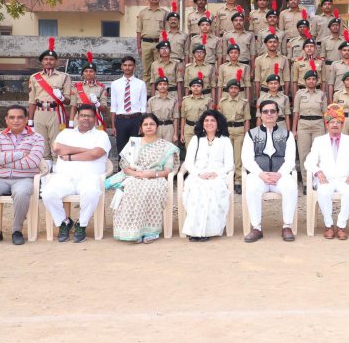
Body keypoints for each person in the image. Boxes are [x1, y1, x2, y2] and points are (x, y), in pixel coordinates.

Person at [41, 104, 111, 243]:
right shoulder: (66, 133)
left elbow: (96, 154)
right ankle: (64, 222)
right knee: (47, 193)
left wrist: (71, 155)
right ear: (77, 117)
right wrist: (86, 150)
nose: (86, 118)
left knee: (91, 192)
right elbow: (57, 149)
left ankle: (81, 224)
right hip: (64, 177)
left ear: (95, 118)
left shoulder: (101, 135)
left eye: (90, 116)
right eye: (83, 115)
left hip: (89, 177)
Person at [0, 105, 45, 246]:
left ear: (26, 119)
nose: (16, 120)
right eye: (12, 117)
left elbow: (32, 162)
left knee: (21, 193)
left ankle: (17, 231)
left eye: (20, 117)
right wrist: (19, 155)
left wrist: (3, 161)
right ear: (6, 120)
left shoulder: (36, 138)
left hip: (25, 178)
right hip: (0, 178)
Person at [112, 113, 179, 243]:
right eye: (145, 124)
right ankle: (134, 230)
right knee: (131, 188)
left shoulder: (165, 146)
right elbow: (125, 167)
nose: (149, 127)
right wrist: (137, 174)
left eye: (152, 124)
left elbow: (167, 170)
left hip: (156, 178)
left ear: (157, 126)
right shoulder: (133, 143)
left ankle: (150, 231)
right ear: (141, 128)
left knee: (149, 189)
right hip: (134, 176)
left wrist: (152, 174)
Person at [241, 100, 298, 242]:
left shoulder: (287, 135)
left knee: (291, 186)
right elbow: (247, 159)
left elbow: (290, 160)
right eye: (266, 111)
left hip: (280, 176)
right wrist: (261, 174)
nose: (269, 114)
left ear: (278, 114)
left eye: (273, 111)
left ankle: (287, 226)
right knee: (252, 187)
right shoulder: (251, 134)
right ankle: (256, 228)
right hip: (259, 175)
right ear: (260, 115)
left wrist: (280, 174)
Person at [303, 105, 349, 240]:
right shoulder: (319, 141)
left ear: (342, 124)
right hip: (326, 179)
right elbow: (309, 162)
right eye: (332, 122)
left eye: (338, 122)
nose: (335, 125)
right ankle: (329, 225)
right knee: (323, 192)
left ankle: (341, 226)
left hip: (344, 179)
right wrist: (318, 172)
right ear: (327, 124)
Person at [181, 110, 234, 241]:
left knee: (211, 188)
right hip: (197, 174)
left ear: (218, 123)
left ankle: (207, 230)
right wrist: (199, 174)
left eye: (212, 120)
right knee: (196, 189)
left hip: (218, 175)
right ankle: (194, 230)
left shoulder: (225, 140)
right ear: (202, 123)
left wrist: (216, 173)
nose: (209, 123)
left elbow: (229, 164)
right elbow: (188, 162)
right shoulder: (196, 139)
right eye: (206, 120)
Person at [28, 37, 71, 163]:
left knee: (57, 143)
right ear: (42, 62)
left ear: (56, 62)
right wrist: (30, 120)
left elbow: (68, 100)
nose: (48, 61)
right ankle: (45, 173)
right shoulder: (34, 77)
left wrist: (62, 97)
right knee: (41, 144)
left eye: (51, 59)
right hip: (39, 112)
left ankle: (57, 172)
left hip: (56, 112)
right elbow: (31, 101)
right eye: (46, 59)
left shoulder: (64, 77)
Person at [292, 63, 327, 190]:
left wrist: (327, 130)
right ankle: (306, 182)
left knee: (318, 154)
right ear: (304, 81)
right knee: (304, 154)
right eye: (309, 79)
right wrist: (294, 129)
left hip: (318, 125)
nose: (311, 81)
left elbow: (325, 114)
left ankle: (317, 181)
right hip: (304, 126)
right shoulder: (299, 94)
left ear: (317, 81)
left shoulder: (322, 94)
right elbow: (296, 112)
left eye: (313, 79)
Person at [218, 76, 250, 194]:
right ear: (228, 89)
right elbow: (219, 119)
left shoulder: (243, 102)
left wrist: (246, 134)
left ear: (239, 90)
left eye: (236, 88)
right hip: (226, 130)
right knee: (226, 156)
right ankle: (226, 180)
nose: (233, 90)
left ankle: (238, 181)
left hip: (239, 130)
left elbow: (247, 119)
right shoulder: (222, 102)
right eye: (231, 88)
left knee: (238, 158)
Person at [110, 56, 147, 156]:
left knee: (135, 149)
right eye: (125, 65)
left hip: (136, 119)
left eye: (130, 65)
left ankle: (134, 170)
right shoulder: (115, 84)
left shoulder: (141, 84)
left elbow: (143, 106)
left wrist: (142, 124)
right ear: (121, 67)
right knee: (121, 149)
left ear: (134, 67)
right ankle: (121, 170)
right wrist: (113, 126)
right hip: (121, 120)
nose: (127, 67)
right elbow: (113, 106)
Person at [136, 0, 168, 85]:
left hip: (159, 44)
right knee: (146, 71)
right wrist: (139, 46)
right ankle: (147, 93)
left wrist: (165, 45)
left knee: (160, 69)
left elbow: (167, 30)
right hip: (145, 43)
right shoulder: (142, 13)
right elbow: (138, 30)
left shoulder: (165, 13)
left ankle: (159, 92)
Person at [69, 51, 107, 130]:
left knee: (95, 141)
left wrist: (97, 103)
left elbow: (104, 109)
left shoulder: (101, 87)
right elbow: (73, 106)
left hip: (95, 118)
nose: (88, 73)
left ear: (95, 73)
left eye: (91, 71)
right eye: (86, 71)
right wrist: (71, 122)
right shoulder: (76, 86)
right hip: (79, 118)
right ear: (82, 73)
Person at [254, 29, 290, 100]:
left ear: (278, 44)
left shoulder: (284, 59)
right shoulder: (259, 59)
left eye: (275, 42)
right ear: (266, 44)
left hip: (280, 92)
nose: (272, 44)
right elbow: (257, 80)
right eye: (270, 42)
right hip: (264, 92)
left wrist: (285, 95)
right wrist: (258, 97)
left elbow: (287, 79)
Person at [147, 69, 179, 143]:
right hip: (155, 128)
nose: (162, 86)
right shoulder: (152, 100)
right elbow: (149, 118)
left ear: (168, 86)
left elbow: (175, 119)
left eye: (165, 84)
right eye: (160, 84)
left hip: (169, 128)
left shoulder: (173, 100)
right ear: (157, 87)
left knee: (169, 152)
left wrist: (175, 134)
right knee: (156, 151)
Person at [180, 73, 212, 145]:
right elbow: (183, 118)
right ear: (190, 88)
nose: (196, 88)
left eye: (198, 86)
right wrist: (182, 134)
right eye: (193, 86)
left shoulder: (208, 101)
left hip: (203, 129)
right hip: (188, 130)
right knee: (189, 153)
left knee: (202, 152)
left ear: (202, 88)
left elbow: (211, 118)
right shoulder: (185, 100)